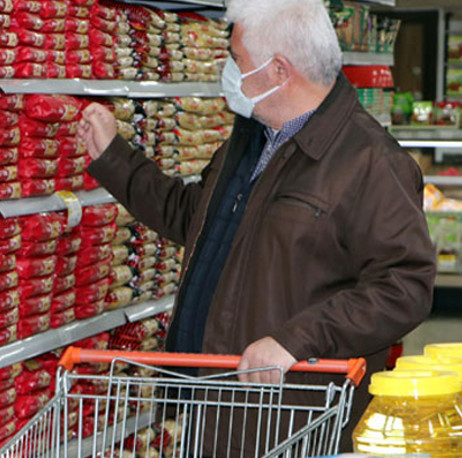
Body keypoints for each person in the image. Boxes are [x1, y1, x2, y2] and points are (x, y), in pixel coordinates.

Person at [78, 0, 436, 453]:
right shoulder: (251, 140)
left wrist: (295, 340)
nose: (229, 70)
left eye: (238, 59)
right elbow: (196, 219)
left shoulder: (371, 163)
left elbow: (404, 287)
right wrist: (113, 158)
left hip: (298, 417)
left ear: (279, 71)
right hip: (219, 405)